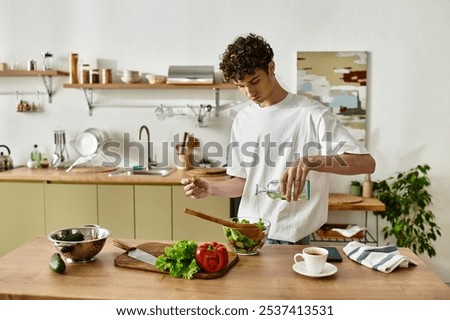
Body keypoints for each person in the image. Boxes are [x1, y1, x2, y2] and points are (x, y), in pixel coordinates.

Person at [181, 33, 375, 244]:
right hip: (248, 235)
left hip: (291, 240)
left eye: (254, 81)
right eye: (240, 85)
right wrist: (211, 188)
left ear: (271, 68)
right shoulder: (243, 119)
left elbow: (366, 163)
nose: (249, 92)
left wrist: (311, 161)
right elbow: (244, 181)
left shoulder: (312, 113)